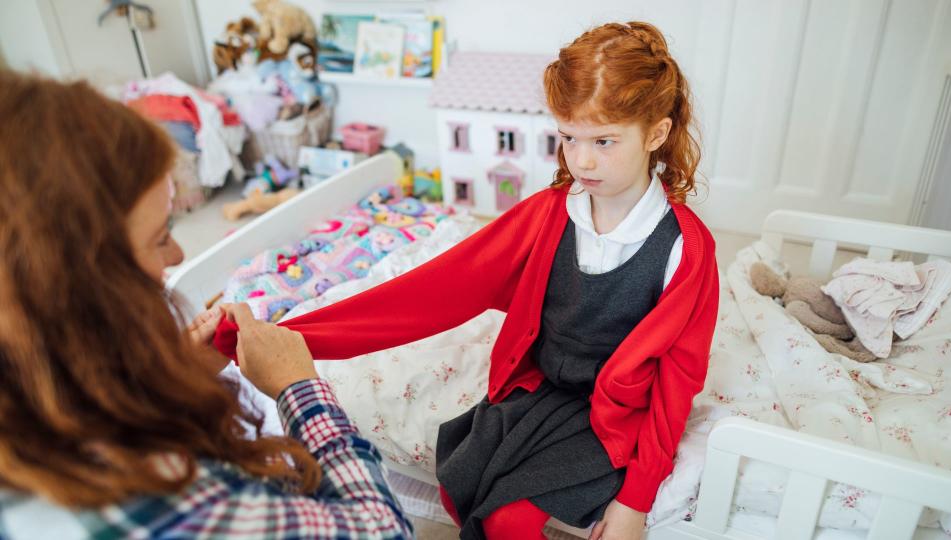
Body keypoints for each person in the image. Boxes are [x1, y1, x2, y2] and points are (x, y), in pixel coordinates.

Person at [215, 21, 719, 540]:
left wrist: (635, 501)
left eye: (604, 141)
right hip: (540, 390)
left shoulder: (686, 248)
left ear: (656, 134)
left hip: (613, 417)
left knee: (506, 518)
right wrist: (289, 334)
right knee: (467, 486)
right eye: (568, 137)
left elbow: (678, 378)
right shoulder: (548, 214)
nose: (581, 159)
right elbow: (429, 294)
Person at [0, 70, 413, 539]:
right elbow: (382, 531)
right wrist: (298, 387)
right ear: (82, 282)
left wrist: (169, 372)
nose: (177, 256)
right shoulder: (166, 502)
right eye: (159, 238)